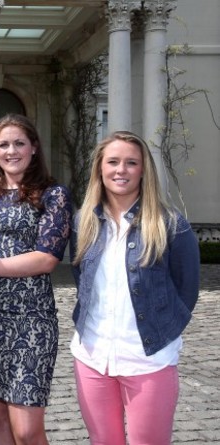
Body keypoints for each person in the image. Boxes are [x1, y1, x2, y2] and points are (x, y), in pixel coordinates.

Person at [69, 131, 200, 445]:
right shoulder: (83, 222)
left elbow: (188, 289)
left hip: (149, 360)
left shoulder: (170, 225)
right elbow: (82, 281)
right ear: (100, 168)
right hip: (92, 357)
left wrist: (164, 330)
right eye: (113, 162)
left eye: (131, 163)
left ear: (143, 170)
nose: (121, 170)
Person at [0, 114, 72, 445]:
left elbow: (46, 258)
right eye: (3, 144)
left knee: (27, 430)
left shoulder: (53, 194)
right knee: (0, 418)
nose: (11, 151)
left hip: (31, 320)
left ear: (34, 148)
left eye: (19, 143)